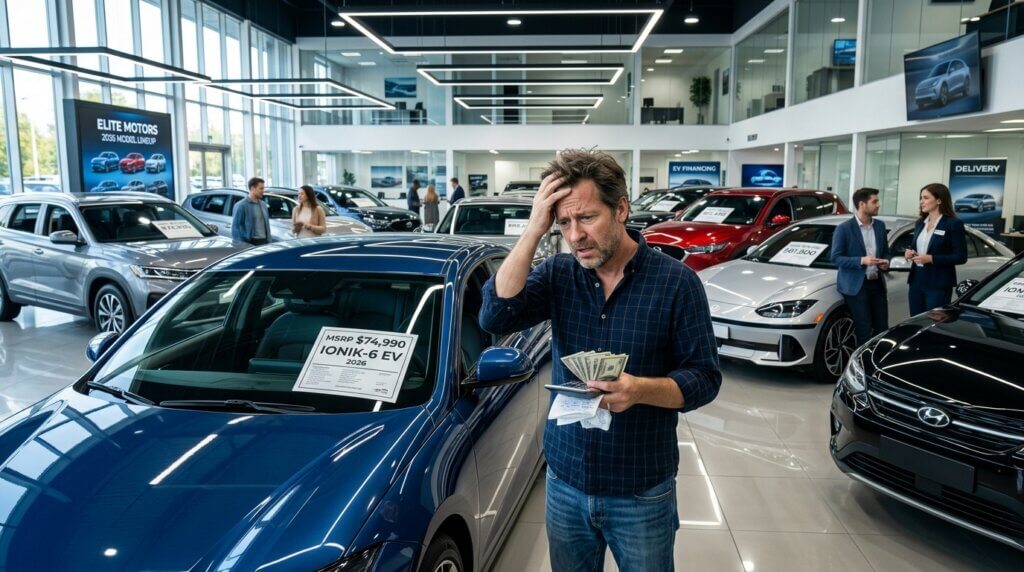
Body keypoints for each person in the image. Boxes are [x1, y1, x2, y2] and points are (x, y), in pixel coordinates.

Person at [479, 149, 721, 572]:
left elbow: (704, 378)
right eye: (564, 223)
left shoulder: (677, 284)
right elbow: (496, 314)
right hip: (566, 479)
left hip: (640, 487)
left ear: (621, 208)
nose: (575, 236)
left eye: (587, 217)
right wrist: (535, 228)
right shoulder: (559, 274)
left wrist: (641, 390)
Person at [831, 187, 891, 346]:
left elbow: (886, 252)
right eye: (875, 201)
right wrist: (861, 261)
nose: (878, 205)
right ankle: (861, 366)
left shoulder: (880, 226)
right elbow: (836, 257)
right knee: (863, 328)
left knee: (882, 328)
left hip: (877, 282)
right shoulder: (844, 228)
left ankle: (878, 363)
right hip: (856, 285)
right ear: (862, 204)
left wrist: (886, 263)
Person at [905, 182, 967, 315]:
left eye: (926, 198)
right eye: (921, 198)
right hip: (916, 280)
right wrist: (910, 253)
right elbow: (918, 247)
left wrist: (931, 259)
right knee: (915, 322)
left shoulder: (953, 224)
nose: (922, 202)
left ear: (939, 200)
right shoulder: (920, 223)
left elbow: (961, 257)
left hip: (938, 282)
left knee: (934, 324)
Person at [231, 177, 271, 246]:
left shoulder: (263, 205)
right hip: (250, 243)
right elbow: (235, 228)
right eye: (261, 188)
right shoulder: (241, 205)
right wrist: (240, 245)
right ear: (252, 188)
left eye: (263, 188)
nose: (263, 191)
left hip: (264, 243)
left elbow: (267, 226)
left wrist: (269, 242)